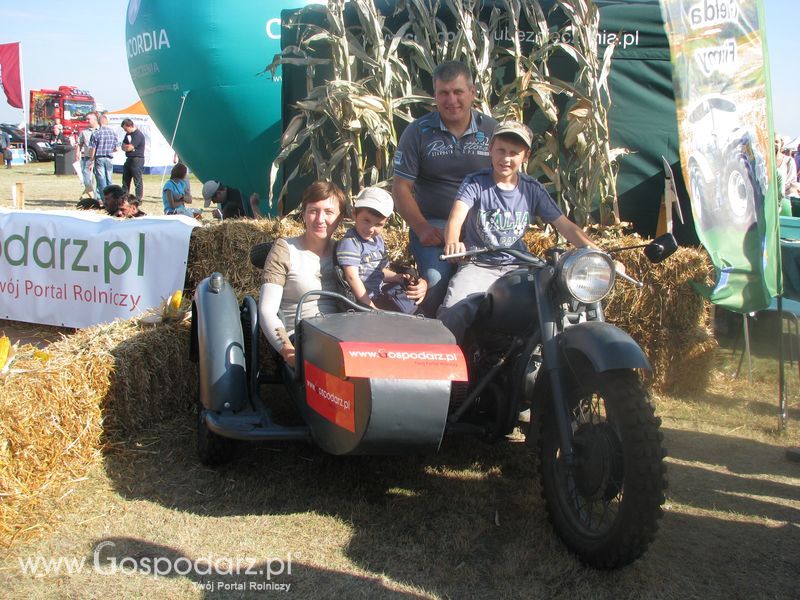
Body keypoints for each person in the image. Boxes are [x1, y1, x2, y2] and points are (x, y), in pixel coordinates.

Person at [438, 121, 598, 344]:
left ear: (526, 156)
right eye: (501, 150)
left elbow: (566, 225)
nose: (506, 158)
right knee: (454, 309)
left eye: (514, 153)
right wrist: (453, 241)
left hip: (520, 266)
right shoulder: (475, 183)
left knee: (563, 301)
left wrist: (598, 255)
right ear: (490, 148)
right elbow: (456, 217)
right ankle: (448, 371)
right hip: (480, 263)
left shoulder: (532, 188)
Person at [393, 60, 497, 317]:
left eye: (458, 92)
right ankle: (433, 347)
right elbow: (401, 188)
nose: (451, 100)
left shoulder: (493, 130)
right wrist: (422, 228)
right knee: (435, 283)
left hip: (481, 231)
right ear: (434, 96)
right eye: (444, 93)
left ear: (472, 92)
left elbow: (508, 185)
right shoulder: (417, 132)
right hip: (435, 229)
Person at [257, 181, 346, 368]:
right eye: (313, 211)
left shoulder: (345, 252)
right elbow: (267, 310)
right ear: (304, 214)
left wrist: (410, 278)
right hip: (301, 338)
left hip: (343, 335)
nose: (320, 219)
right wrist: (288, 351)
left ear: (341, 218)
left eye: (329, 212)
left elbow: (377, 276)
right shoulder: (285, 249)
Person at [336, 187, 427, 313]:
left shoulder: (378, 240)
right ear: (354, 214)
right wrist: (370, 306)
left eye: (378, 224)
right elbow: (352, 277)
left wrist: (397, 277)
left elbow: (380, 271)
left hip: (379, 295)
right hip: (361, 302)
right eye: (366, 221)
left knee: (414, 310)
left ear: (386, 222)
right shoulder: (351, 242)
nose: (371, 229)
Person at [89, 114, 119, 204]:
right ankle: (112, 198)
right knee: (109, 179)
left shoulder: (96, 133)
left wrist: (91, 159)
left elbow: (93, 148)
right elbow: (116, 148)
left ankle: (104, 199)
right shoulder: (113, 133)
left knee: (101, 179)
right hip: (109, 158)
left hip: (99, 158)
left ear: (99, 122)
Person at [120, 118, 145, 204]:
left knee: (137, 180)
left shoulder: (138, 135)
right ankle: (124, 197)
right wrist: (126, 147)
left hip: (137, 159)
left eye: (125, 129)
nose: (125, 131)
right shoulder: (127, 135)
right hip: (129, 159)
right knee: (125, 180)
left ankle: (138, 199)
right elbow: (123, 146)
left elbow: (130, 147)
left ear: (130, 126)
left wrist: (127, 147)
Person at [77, 112, 99, 198]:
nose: (87, 121)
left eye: (88, 119)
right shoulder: (84, 132)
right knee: (86, 179)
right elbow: (79, 143)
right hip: (87, 157)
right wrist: (77, 154)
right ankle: (90, 193)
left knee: (98, 179)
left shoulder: (101, 130)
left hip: (98, 158)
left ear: (94, 119)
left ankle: (97, 197)